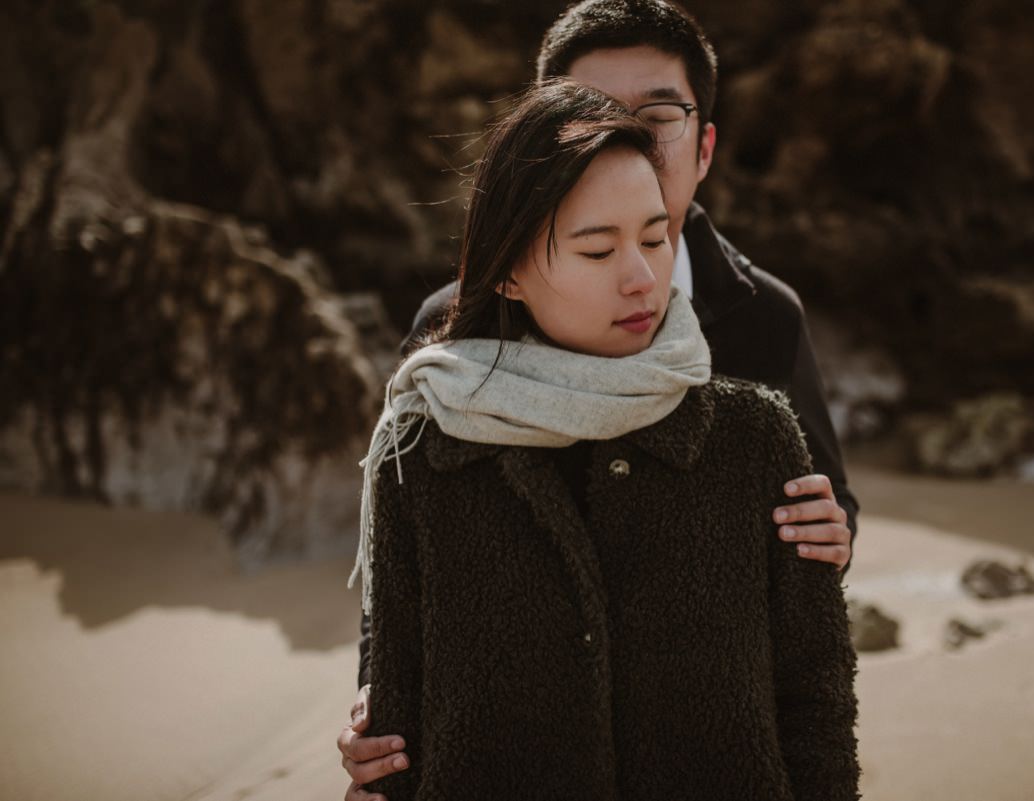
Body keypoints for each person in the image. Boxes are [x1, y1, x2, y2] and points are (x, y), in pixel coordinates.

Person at [339, 0, 858, 794]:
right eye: (596, 114)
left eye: (656, 116)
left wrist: (831, 533)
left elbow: (812, 632)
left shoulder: (760, 337)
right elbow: (405, 603)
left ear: (704, 142)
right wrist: (377, 719)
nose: (629, 142)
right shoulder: (444, 374)